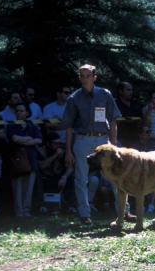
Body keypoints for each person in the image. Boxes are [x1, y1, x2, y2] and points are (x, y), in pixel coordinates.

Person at [62, 64, 122, 225]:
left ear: (94, 77)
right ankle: (84, 214)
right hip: (82, 140)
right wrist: (68, 151)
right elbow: (68, 126)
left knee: (115, 176)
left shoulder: (105, 94)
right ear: (79, 78)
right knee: (81, 179)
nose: (85, 79)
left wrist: (114, 144)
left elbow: (113, 120)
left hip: (103, 140)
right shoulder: (74, 98)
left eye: (88, 76)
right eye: (82, 76)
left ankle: (124, 210)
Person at [7, 102, 42, 217]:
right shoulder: (11, 125)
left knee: (29, 187)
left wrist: (25, 141)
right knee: (17, 186)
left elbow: (39, 140)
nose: (19, 113)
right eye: (17, 111)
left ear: (27, 113)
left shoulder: (33, 125)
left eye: (21, 111)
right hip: (17, 160)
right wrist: (29, 139)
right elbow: (14, 138)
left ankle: (26, 210)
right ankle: (19, 211)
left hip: (31, 159)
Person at [37, 132, 75, 213]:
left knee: (72, 177)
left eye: (60, 143)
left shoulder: (63, 151)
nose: (58, 145)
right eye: (55, 143)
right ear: (48, 143)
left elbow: (70, 167)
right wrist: (55, 155)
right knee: (37, 178)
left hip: (58, 177)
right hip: (45, 177)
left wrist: (64, 177)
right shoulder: (41, 151)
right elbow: (41, 166)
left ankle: (70, 206)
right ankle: (41, 206)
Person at [131, 125, 155, 212]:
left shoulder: (154, 144)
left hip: (152, 171)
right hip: (138, 172)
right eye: (146, 132)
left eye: (149, 132)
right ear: (140, 135)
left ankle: (152, 204)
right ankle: (141, 205)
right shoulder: (134, 146)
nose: (149, 134)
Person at [115, 82, 142, 147]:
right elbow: (111, 119)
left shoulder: (135, 104)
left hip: (135, 138)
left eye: (131, 90)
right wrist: (124, 121)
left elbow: (141, 118)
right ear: (121, 91)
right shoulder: (115, 104)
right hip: (120, 138)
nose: (130, 92)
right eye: (128, 90)